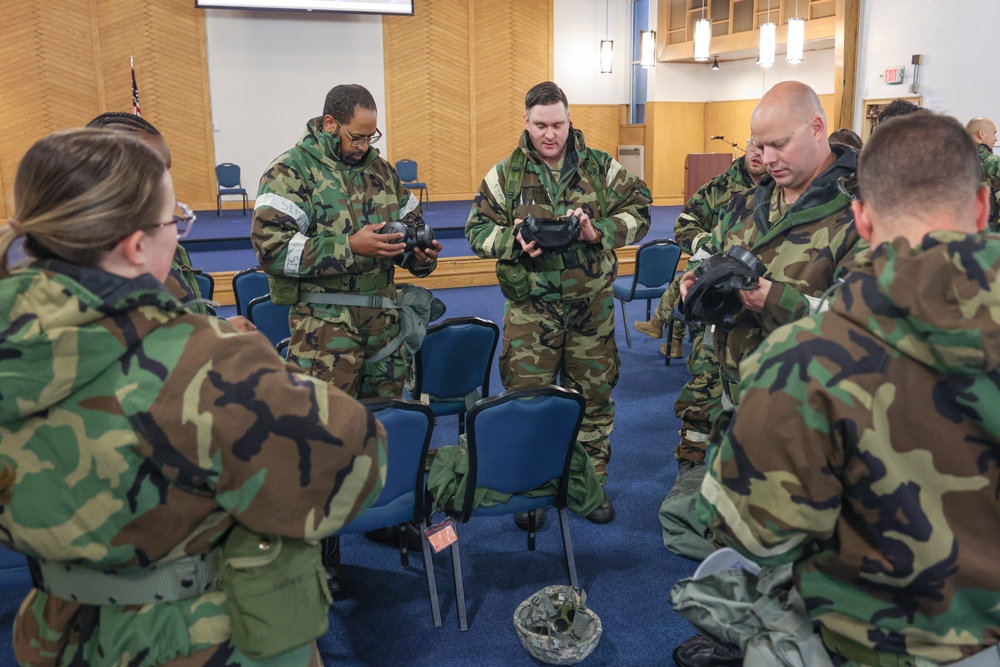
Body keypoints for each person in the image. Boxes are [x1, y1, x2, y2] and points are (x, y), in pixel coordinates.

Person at [0, 128, 385, 666]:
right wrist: (260, 367)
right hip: (193, 637)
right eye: (173, 222)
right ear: (136, 246)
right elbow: (357, 464)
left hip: (56, 634)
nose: (178, 236)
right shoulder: (206, 362)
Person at [689, 111, 1000, 666]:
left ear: (859, 219)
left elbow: (756, 536)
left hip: (870, 644)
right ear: (981, 207)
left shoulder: (804, 362)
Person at [660, 81, 865, 563]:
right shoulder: (745, 206)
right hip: (738, 403)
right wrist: (695, 287)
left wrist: (772, 298)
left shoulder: (863, 213)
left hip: (809, 419)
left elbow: (866, 328)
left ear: (817, 129)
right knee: (735, 534)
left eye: (779, 144)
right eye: (759, 144)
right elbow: (707, 258)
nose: (766, 157)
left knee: (795, 552)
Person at [465, 81, 651, 524]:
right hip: (532, 313)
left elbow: (641, 211)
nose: (550, 135)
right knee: (528, 402)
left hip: (592, 310)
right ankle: (530, 489)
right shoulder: (504, 175)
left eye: (558, 124)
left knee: (594, 401)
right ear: (525, 122)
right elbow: (475, 231)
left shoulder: (601, 168)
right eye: (540, 125)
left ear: (570, 121)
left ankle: (589, 486)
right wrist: (512, 241)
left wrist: (597, 232)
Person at [252, 83, 442, 400]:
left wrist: (421, 256)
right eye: (356, 137)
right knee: (327, 434)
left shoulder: (382, 172)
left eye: (371, 137)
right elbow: (271, 250)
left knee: (385, 428)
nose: (364, 146)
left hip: (384, 330)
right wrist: (349, 247)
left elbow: (411, 230)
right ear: (330, 124)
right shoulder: (289, 172)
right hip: (324, 332)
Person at [634, 140, 766, 478]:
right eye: (755, 144)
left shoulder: (785, 190)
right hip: (718, 306)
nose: (760, 153)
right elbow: (685, 224)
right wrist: (712, 251)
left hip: (764, 313)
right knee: (704, 387)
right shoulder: (720, 187)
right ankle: (690, 464)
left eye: (769, 147)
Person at [86, 111, 257, 333]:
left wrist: (217, 325)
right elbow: (149, 341)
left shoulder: (154, 237)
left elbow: (177, 318)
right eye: (149, 174)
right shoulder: (99, 259)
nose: (164, 186)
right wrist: (220, 331)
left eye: (164, 172)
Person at [966, 116, 1000, 233]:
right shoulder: (995, 163)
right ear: (981, 134)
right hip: (989, 239)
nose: (996, 139)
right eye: (994, 133)